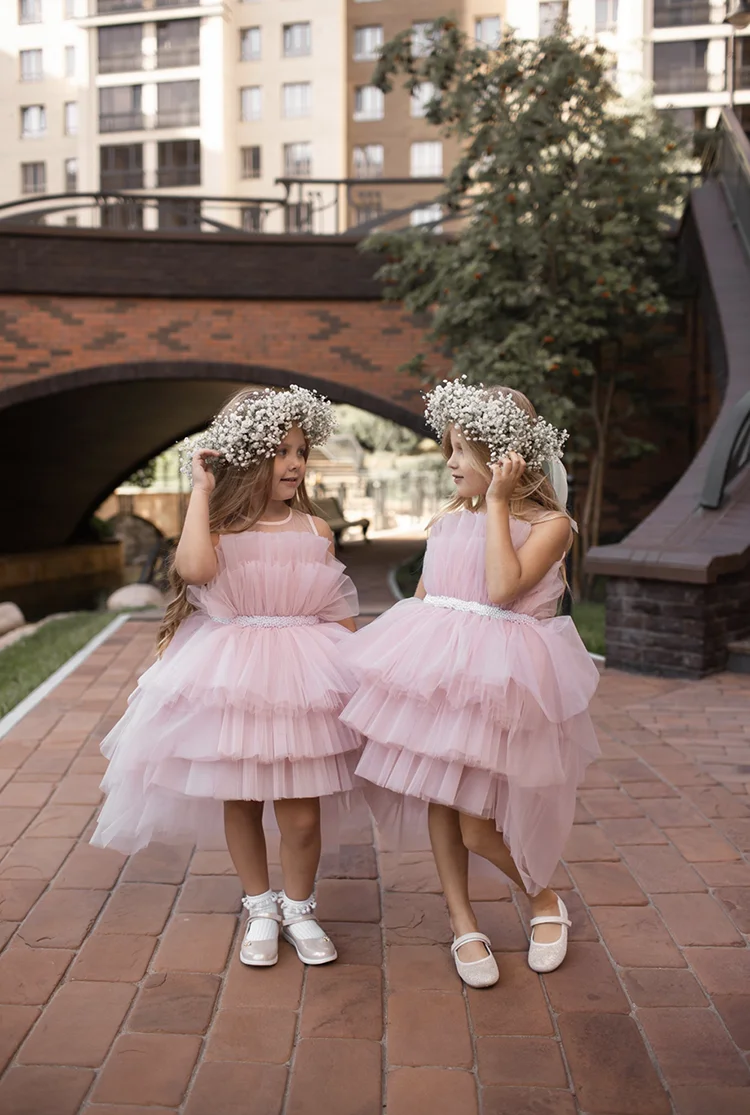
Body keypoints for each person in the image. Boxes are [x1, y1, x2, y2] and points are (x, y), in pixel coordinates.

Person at [91, 386, 363, 969]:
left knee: (302, 812)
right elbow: (193, 571)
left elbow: (334, 608)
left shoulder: (314, 530)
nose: (294, 464)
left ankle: (299, 906)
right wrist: (200, 490)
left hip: (301, 676)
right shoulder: (215, 530)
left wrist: (368, 669)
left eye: (301, 452)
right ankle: (260, 904)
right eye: (280, 452)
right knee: (240, 799)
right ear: (248, 457)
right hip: (232, 673)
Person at [341, 380, 600, 987]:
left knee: (477, 822)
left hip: (501, 678)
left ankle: (543, 898)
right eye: (449, 448)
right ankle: (463, 923)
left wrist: (503, 504)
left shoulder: (552, 524)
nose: (450, 462)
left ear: (503, 457)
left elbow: (504, 587)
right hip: (445, 673)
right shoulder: (452, 520)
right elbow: (432, 595)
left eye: (463, 450)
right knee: (441, 797)